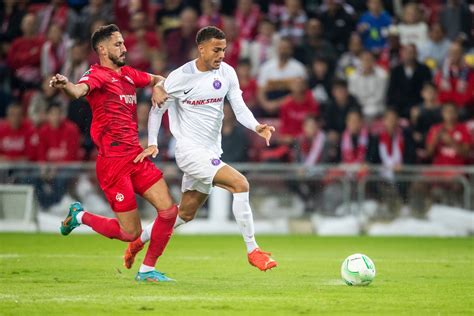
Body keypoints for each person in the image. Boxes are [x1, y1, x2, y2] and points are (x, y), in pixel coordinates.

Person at [130, 26, 278, 272]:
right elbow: (157, 109)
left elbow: (239, 107)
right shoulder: (180, 77)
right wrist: (153, 142)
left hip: (211, 152)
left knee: (185, 214)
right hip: (189, 151)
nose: (221, 55)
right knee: (240, 184)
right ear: (201, 49)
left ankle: (138, 242)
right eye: (216, 50)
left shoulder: (227, 73)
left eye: (224, 50)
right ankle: (253, 250)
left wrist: (256, 126)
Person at [49, 24, 177, 283]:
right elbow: (78, 91)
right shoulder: (96, 75)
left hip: (136, 156)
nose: (125, 48)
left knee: (169, 211)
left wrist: (159, 86)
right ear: (102, 49)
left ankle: (147, 270)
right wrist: (66, 85)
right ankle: (80, 216)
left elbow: (160, 79)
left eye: (123, 43)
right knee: (131, 232)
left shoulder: (128, 74)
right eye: (118, 44)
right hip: (113, 162)